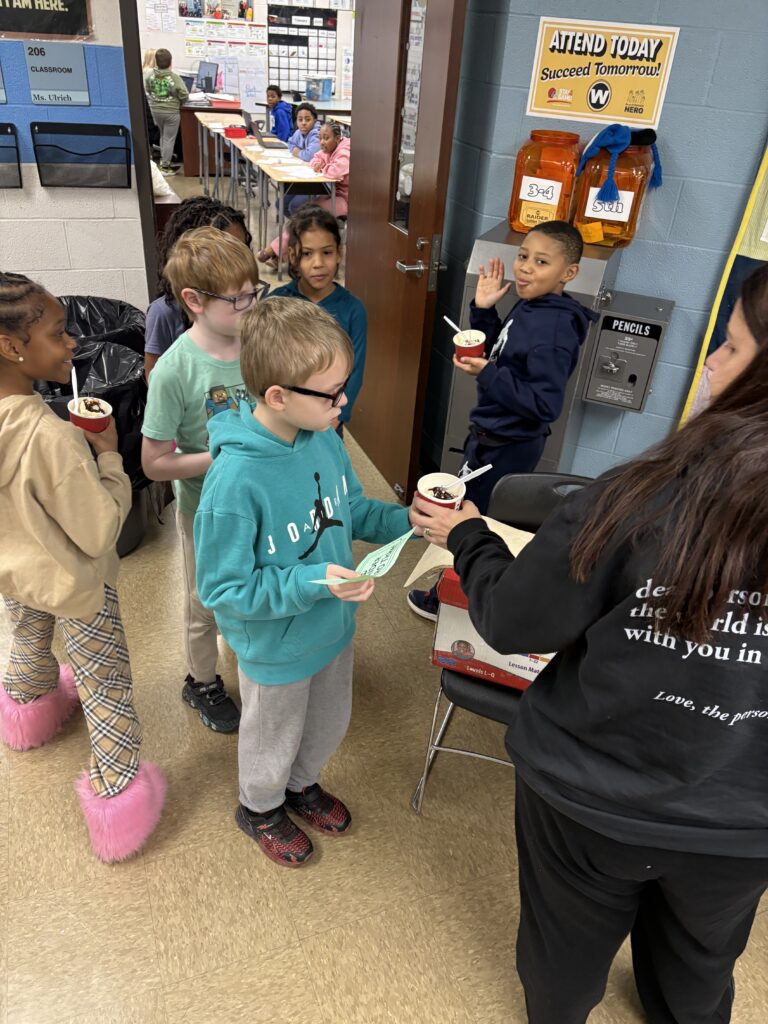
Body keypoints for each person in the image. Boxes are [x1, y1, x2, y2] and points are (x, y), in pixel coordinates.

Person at [410, 263, 768, 1024]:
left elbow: (511, 621)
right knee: (702, 959)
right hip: (745, 819)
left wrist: (470, 538)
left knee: (564, 955)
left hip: (592, 794)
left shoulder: (641, 497)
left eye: (731, 347)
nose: (709, 361)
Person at [194, 298, 417, 867]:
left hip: (332, 626)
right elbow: (222, 590)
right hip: (276, 645)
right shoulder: (235, 482)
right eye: (332, 393)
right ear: (277, 397)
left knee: (325, 723)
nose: (345, 401)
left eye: (344, 386)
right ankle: (261, 806)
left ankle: (300, 786)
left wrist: (409, 521)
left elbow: (351, 510)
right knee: (272, 735)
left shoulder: (321, 437)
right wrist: (313, 581)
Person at [0, 272, 166, 862]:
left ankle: (28, 709)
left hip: (16, 569)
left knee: (28, 635)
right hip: (75, 582)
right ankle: (117, 794)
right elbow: (97, 530)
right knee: (104, 683)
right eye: (57, 332)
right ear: (10, 346)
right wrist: (105, 457)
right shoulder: (50, 438)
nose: (72, 343)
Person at [407, 220, 598, 621]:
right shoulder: (533, 305)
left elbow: (544, 405)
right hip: (491, 434)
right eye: (524, 256)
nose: (525, 268)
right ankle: (459, 593)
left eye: (541, 262)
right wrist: (484, 310)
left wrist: (486, 374)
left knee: (469, 520)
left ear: (569, 272)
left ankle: (454, 599)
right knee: (465, 513)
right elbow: (499, 352)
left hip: (508, 445)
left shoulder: (554, 328)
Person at [141, 227, 264, 734]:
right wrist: (218, 459)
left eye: (255, 293)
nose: (250, 307)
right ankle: (201, 681)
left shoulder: (257, 345)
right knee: (203, 603)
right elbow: (154, 464)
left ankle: (247, 651)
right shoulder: (175, 371)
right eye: (238, 299)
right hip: (207, 511)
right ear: (193, 300)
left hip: (261, 503)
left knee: (252, 586)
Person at [268, 207, 366, 432]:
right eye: (307, 253)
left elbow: (356, 370)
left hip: (328, 418)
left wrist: (337, 415)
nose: (318, 263)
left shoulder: (353, 310)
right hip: (283, 415)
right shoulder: (276, 303)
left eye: (327, 252)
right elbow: (265, 363)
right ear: (292, 255)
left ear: (339, 253)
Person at [145, 196, 253, 379]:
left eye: (242, 251)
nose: (238, 263)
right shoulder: (164, 313)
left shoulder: (248, 303)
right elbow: (154, 380)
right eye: (225, 255)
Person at [258, 123, 350, 266]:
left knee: (307, 217)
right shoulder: (329, 148)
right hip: (330, 193)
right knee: (304, 214)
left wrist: (323, 167)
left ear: (337, 138)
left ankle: (274, 250)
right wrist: (319, 165)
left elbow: (335, 171)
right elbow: (314, 159)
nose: (322, 142)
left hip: (346, 199)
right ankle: (280, 255)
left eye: (326, 138)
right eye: (320, 138)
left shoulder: (346, 150)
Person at [145, 48, 189, 176]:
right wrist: (179, 102)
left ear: (156, 61)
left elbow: (148, 90)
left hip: (156, 111)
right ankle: (165, 167)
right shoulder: (174, 77)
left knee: (163, 136)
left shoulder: (150, 76)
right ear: (170, 62)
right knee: (169, 139)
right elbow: (184, 94)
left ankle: (164, 162)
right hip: (171, 112)